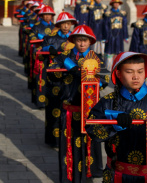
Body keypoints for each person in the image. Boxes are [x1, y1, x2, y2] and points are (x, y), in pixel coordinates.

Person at [86, 52, 147, 183]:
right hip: (116, 174)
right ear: (118, 74)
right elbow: (92, 130)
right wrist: (114, 122)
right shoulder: (108, 102)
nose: (136, 77)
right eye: (129, 72)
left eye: (140, 71)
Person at [49, 25, 104, 182]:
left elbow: (104, 80)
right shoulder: (64, 57)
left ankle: (91, 172)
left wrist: (86, 76)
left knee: (90, 143)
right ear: (73, 41)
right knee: (69, 144)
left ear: (90, 41)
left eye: (85, 40)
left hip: (90, 110)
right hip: (70, 110)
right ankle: (68, 176)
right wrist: (62, 66)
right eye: (79, 40)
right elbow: (52, 74)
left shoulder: (96, 58)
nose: (82, 44)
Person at [40, 11, 77, 148]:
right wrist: (49, 49)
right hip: (53, 80)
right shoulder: (50, 38)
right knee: (53, 109)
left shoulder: (75, 40)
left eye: (69, 23)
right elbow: (40, 52)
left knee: (68, 110)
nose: (66, 26)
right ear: (59, 24)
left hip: (69, 80)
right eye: (64, 23)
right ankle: (52, 139)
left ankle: (67, 137)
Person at [28, 5, 56, 108]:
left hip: (52, 57)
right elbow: (31, 36)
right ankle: (40, 101)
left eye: (49, 15)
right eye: (45, 15)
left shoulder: (54, 27)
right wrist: (41, 40)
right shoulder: (36, 26)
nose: (47, 16)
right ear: (42, 15)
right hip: (40, 56)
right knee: (40, 78)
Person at [103, 0, 129, 72]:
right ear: (112, 4)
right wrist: (106, 36)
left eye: (117, 3)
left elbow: (124, 25)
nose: (116, 4)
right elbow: (106, 26)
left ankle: (118, 67)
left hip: (119, 35)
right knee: (110, 51)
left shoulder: (122, 14)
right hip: (110, 35)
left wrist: (125, 36)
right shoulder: (108, 14)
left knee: (118, 51)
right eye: (115, 3)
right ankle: (108, 68)